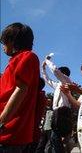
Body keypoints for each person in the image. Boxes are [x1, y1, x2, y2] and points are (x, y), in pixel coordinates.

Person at [0, 22, 40, 152]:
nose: (3, 46)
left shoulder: (28, 56)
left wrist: (2, 120)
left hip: (10, 132)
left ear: (12, 40)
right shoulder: (13, 61)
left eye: (4, 42)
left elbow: (21, 89)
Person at [41, 56, 72, 153]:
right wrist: (43, 68)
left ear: (63, 74)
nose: (58, 74)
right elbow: (47, 79)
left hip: (63, 111)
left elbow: (55, 70)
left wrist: (47, 61)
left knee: (56, 137)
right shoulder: (58, 84)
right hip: (57, 112)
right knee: (55, 137)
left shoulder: (66, 81)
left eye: (60, 72)